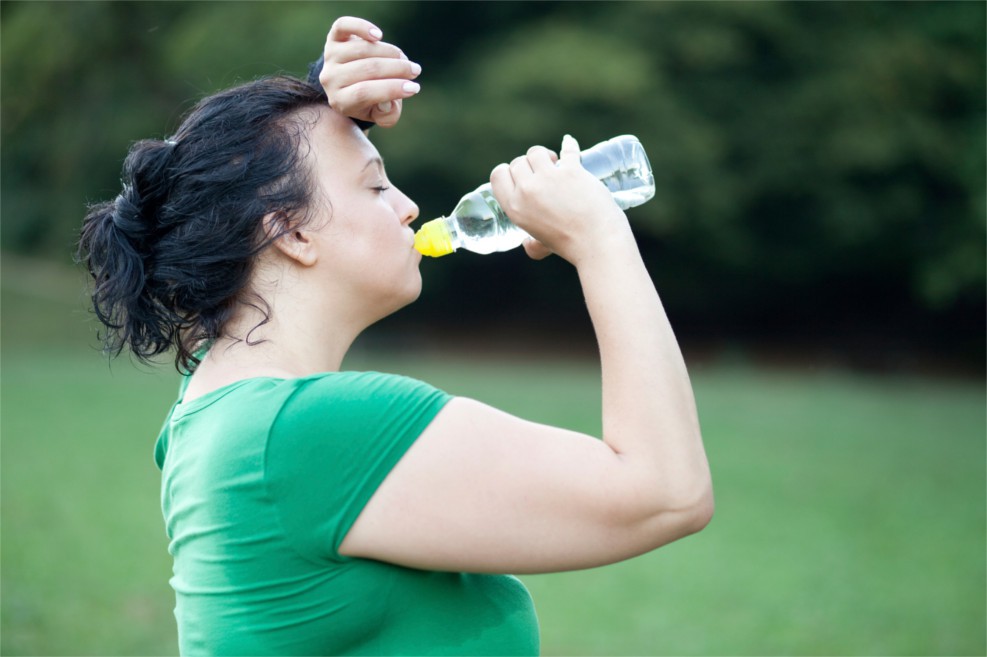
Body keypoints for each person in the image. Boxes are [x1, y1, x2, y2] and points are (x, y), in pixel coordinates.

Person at [78, 16, 713, 656]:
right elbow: (665, 493)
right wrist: (600, 237)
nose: (407, 206)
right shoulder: (313, 429)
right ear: (292, 235)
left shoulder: (212, 408)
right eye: (375, 185)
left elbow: (215, 180)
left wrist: (318, 96)